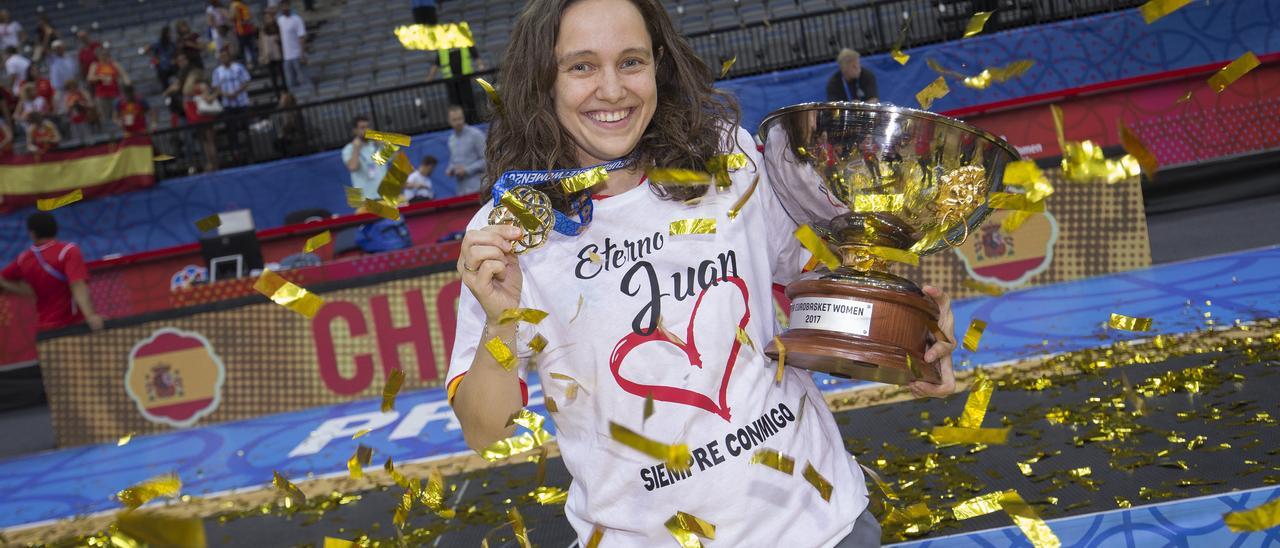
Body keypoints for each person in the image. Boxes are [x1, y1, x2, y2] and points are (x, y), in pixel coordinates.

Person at [448, 1, 958, 547]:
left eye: (631, 62)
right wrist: (501, 324)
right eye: (581, 66)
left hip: (818, 527)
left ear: (659, 65)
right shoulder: (514, 227)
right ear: (541, 81)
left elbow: (824, 290)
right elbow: (486, 433)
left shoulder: (725, 156)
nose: (612, 89)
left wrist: (909, 337)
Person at [0, 213, 104, 331]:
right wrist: (91, 316)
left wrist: (26, 291)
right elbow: (77, 284)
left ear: (32, 233)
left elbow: (2, 279)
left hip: (43, 332)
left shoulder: (23, 259)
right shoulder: (67, 251)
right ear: (56, 228)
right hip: (73, 326)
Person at [428, 45, 483, 123]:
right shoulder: (442, 46)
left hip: (465, 78)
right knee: (456, 105)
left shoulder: (463, 40)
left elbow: (474, 54)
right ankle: (460, 123)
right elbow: (437, 62)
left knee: (469, 101)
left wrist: (480, 65)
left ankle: (473, 121)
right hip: (451, 81)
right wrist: (430, 77)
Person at [211, 49, 251, 154]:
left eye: (225, 56)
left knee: (245, 126)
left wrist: (237, 92)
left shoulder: (239, 67)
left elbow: (246, 81)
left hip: (242, 102)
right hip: (228, 104)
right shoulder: (217, 71)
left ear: (230, 57)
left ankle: (250, 149)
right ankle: (236, 151)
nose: (224, 58)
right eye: (222, 57)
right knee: (231, 129)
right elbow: (216, 88)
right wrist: (226, 94)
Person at [341, 115, 388, 200]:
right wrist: (356, 149)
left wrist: (384, 144)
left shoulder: (377, 144)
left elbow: (397, 157)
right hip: (365, 198)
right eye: (362, 128)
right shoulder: (349, 149)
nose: (366, 130)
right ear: (355, 130)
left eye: (368, 127)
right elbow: (353, 167)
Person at [444, 104, 484, 195]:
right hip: (461, 191)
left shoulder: (476, 135)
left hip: (479, 188)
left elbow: (487, 160)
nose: (458, 122)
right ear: (449, 121)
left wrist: (467, 170)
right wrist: (450, 169)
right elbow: (453, 161)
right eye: (454, 120)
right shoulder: (451, 140)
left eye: (460, 118)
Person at [86, 47, 130, 129]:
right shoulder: (95, 65)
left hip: (115, 93)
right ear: (98, 56)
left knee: (117, 114)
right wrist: (100, 77)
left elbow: (123, 74)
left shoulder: (113, 64)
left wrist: (127, 83)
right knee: (105, 115)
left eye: (106, 55)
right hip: (102, 95)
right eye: (102, 55)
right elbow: (90, 78)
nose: (104, 57)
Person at [277, 1, 313, 96]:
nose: (285, 9)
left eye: (286, 6)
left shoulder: (296, 19)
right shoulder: (280, 20)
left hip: (297, 54)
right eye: (283, 7)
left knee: (304, 79)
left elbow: (301, 36)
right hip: (286, 57)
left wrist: (302, 52)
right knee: (290, 83)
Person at [258, 5, 284, 97]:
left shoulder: (278, 27)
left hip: (278, 55)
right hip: (268, 56)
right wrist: (262, 55)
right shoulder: (262, 30)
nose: (268, 19)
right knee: (273, 78)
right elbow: (261, 44)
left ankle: (285, 92)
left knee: (282, 75)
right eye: (266, 18)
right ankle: (277, 95)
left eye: (269, 17)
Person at [61, 80, 95, 145]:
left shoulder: (81, 94)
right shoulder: (67, 97)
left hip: (83, 117)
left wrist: (80, 104)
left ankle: (90, 145)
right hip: (73, 119)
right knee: (76, 137)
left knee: (87, 134)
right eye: (70, 87)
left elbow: (89, 104)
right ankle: (78, 146)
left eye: (73, 87)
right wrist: (71, 105)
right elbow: (65, 109)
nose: (72, 89)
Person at [230, 0, 258, 69]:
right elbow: (249, 17)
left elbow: (232, 17)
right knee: (251, 49)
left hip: (241, 31)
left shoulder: (235, 5)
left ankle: (245, 66)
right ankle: (254, 65)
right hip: (248, 29)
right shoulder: (244, 5)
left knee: (243, 50)